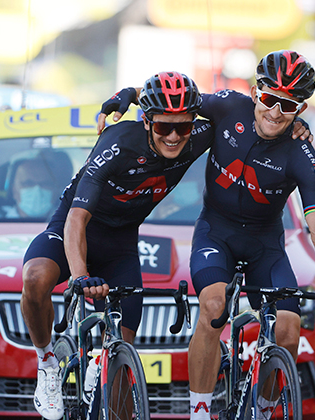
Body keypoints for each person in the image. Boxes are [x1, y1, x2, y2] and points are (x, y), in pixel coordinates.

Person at [97, 50, 315, 420]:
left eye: (288, 105)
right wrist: (129, 93)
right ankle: (201, 410)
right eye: (269, 99)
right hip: (215, 233)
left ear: (301, 108)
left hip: (265, 244)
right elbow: (175, 102)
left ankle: (265, 409)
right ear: (255, 92)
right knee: (215, 306)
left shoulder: (302, 154)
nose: (275, 112)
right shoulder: (228, 107)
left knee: (288, 326)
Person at [20, 71, 213, 420]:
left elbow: (254, 120)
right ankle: (47, 361)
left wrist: (298, 129)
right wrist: (80, 276)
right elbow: (77, 219)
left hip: (121, 243)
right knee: (35, 277)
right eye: (162, 127)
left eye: (182, 127)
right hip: (76, 229)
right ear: (146, 122)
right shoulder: (118, 142)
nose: (173, 137)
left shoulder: (198, 136)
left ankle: (102, 369)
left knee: (122, 363)